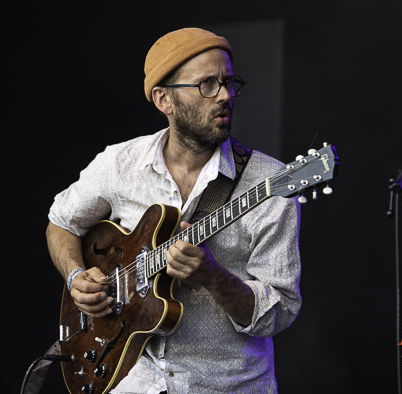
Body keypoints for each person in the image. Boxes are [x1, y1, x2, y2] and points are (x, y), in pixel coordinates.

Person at [46, 27, 302, 393]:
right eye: (207, 85)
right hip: (132, 380)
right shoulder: (120, 163)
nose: (226, 96)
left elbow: (281, 311)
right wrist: (75, 278)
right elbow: (61, 223)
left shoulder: (270, 183)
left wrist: (215, 278)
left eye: (229, 82)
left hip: (225, 385)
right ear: (164, 100)